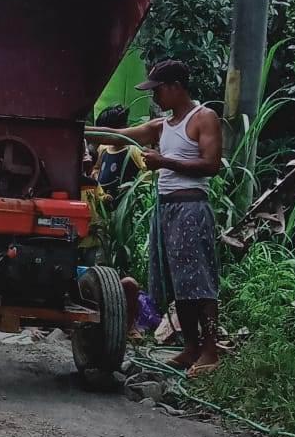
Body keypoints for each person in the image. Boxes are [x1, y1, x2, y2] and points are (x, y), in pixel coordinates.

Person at [88, 60, 223, 374]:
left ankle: (210, 350)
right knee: (177, 282)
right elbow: (118, 136)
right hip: (166, 208)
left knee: (199, 282)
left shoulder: (203, 117)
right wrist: (79, 129)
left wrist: (165, 162)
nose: (154, 97)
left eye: (158, 90)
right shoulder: (162, 125)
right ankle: (190, 347)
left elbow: (212, 164)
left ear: (175, 87)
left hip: (190, 207)